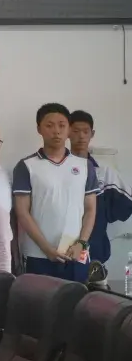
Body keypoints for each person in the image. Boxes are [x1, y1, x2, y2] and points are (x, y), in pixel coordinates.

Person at [14, 103, 99, 282]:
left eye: (62, 125)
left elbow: (90, 209)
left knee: (78, 298)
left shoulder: (85, 166)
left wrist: (82, 243)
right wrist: (46, 248)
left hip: (76, 252)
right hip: (38, 254)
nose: (56, 131)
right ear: (39, 129)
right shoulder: (26, 166)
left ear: (68, 129)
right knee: (38, 299)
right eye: (49, 125)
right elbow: (22, 212)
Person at [69, 110, 132, 270]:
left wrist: (102, 216)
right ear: (67, 132)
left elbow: (126, 204)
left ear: (92, 134)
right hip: (61, 246)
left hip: (94, 248)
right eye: (75, 131)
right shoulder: (57, 169)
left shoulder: (103, 172)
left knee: (93, 284)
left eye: (85, 131)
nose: (81, 136)